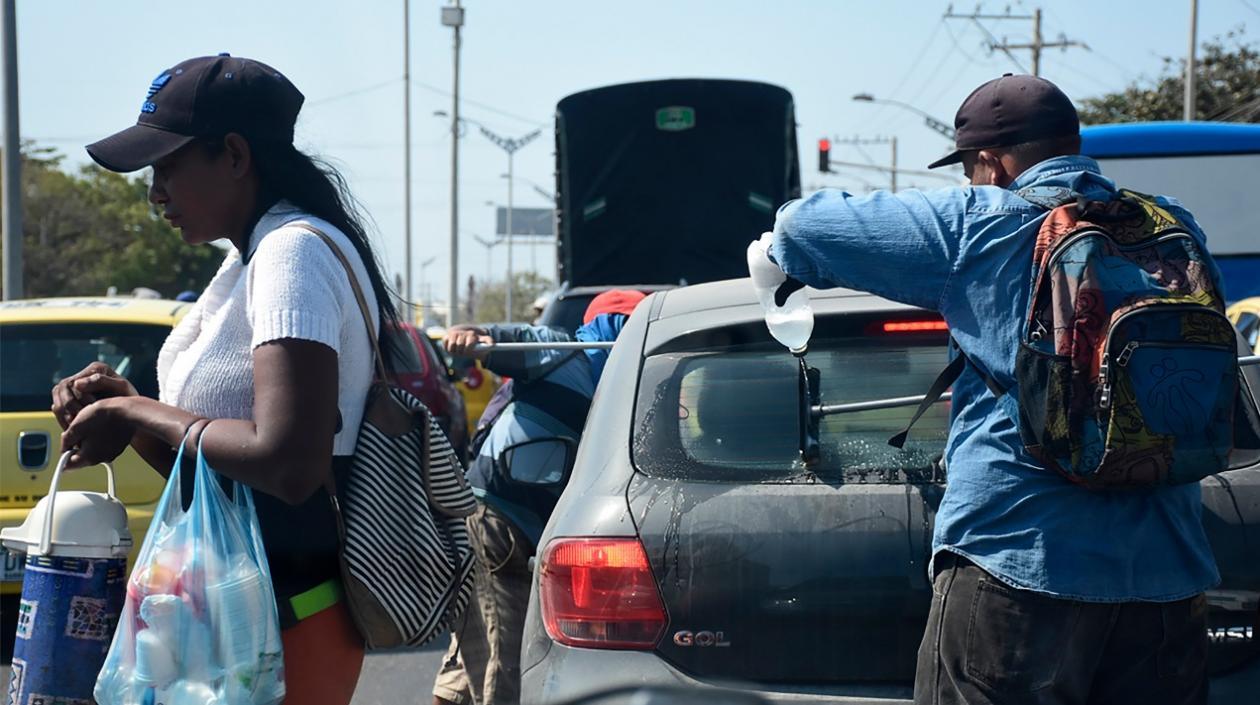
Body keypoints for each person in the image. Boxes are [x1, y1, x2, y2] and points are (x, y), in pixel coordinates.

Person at [758, 75, 1216, 705]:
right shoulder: (1173, 224)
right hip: (1170, 571)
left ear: (989, 164)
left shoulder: (982, 223)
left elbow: (803, 227)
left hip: (1021, 560)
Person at [52, 54, 403, 704]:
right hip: (237, 613)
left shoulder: (292, 252)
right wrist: (126, 407)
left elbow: (288, 461)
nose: (155, 192)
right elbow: (220, 479)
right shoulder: (248, 259)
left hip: (289, 616)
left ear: (235, 155)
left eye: (167, 166)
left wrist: (137, 416)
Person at [432, 289, 645, 705]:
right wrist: (475, 335)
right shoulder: (563, 353)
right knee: (504, 659)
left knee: (472, 656)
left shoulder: (628, 396)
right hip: (496, 524)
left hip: (525, 533)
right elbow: (504, 341)